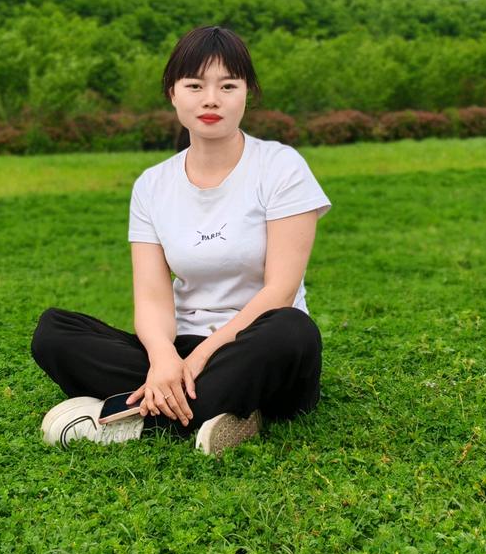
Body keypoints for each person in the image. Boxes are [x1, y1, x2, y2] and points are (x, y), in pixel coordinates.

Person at [30, 24, 332, 456]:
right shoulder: (152, 185)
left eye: (227, 85)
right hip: (184, 344)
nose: (211, 99)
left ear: (247, 93)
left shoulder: (282, 167)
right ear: (173, 93)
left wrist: (198, 360)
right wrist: (163, 359)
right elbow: (153, 298)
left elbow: (280, 292)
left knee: (292, 331)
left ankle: (136, 420)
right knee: (54, 332)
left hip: (256, 343)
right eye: (195, 85)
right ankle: (228, 408)